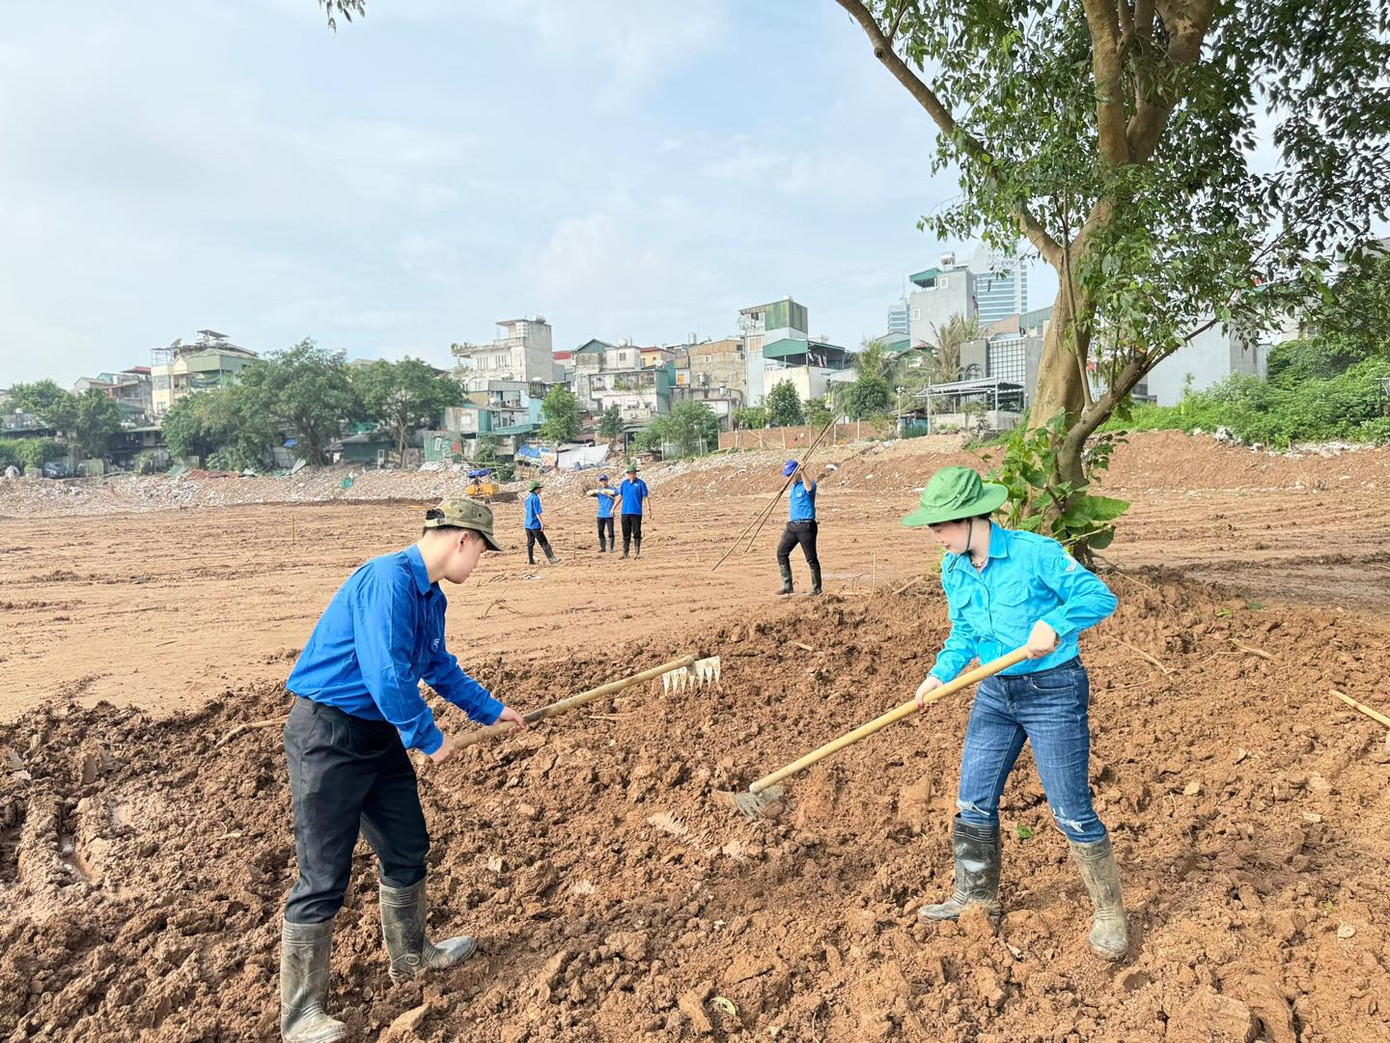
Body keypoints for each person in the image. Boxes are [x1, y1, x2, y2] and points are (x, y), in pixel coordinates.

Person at [278, 497, 528, 1042]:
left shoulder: (429, 596)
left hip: (374, 734)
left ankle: (412, 957)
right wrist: (427, 737)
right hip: (328, 735)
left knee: (407, 845)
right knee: (323, 875)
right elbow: (387, 673)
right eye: (483, 551)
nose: (480, 563)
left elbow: (436, 665)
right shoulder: (388, 580)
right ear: (464, 539)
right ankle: (300, 1017)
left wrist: (491, 710)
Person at [902, 466, 1126, 960]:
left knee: (1070, 810)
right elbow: (962, 633)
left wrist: (1056, 623)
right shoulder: (953, 567)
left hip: (1053, 691)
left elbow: (1098, 596)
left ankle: (1109, 912)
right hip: (995, 693)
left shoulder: (1033, 553)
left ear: (969, 519)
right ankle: (975, 896)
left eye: (940, 526)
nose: (936, 537)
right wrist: (940, 674)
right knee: (973, 801)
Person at [775, 459, 821, 596]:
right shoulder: (793, 487)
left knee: (811, 558)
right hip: (792, 526)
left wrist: (802, 470)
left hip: (806, 526)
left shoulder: (808, 484)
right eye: (787, 475)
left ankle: (817, 588)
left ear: (796, 473)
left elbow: (809, 489)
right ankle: (787, 585)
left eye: (790, 475)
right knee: (781, 552)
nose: (788, 478)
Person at [617, 464, 651, 559]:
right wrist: (613, 507)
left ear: (636, 474)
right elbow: (620, 496)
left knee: (636, 532)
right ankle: (625, 553)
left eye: (633, 473)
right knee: (626, 533)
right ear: (627, 474)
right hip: (625, 512)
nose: (632, 475)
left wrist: (649, 509)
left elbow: (646, 497)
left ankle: (637, 553)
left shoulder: (641, 484)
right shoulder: (624, 484)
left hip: (636, 512)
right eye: (630, 474)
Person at [523, 480, 560, 566]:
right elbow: (537, 512)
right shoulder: (535, 498)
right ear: (536, 489)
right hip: (535, 524)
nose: (541, 490)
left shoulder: (528, 498)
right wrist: (542, 523)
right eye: (540, 488)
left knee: (530, 543)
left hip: (527, 524)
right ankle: (552, 558)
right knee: (544, 542)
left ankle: (531, 560)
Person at [587, 473, 619, 554]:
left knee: (611, 532)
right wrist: (596, 491)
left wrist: (606, 491)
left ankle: (611, 548)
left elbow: (615, 492)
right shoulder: (599, 491)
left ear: (607, 481)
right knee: (600, 531)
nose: (603, 482)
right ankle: (602, 548)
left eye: (604, 480)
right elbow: (588, 493)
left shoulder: (612, 489)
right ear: (600, 482)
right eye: (601, 481)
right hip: (600, 514)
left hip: (609, 514)